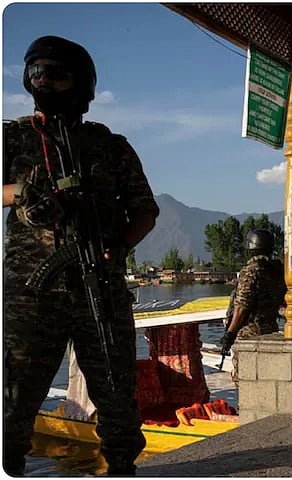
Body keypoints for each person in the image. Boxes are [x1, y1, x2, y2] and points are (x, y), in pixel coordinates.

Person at [3, 36, 159, 476]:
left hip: (99, 289)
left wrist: (119, 248)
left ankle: (122, 467)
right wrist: (19, 193)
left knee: (118, 402)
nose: (43, 81)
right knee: (13, 404)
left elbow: (145, 210)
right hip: (31, 296)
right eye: (36, 72)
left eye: (55, 73)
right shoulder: (12, 138)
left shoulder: (110, 146)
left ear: (81, 83)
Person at [219, 229, 287, 386]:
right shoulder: (277, 270)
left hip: (249, 333)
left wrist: (229, 335)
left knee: (245, 380)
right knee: (266, 378)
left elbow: (242, 307)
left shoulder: (251, 270)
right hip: (270, 330)